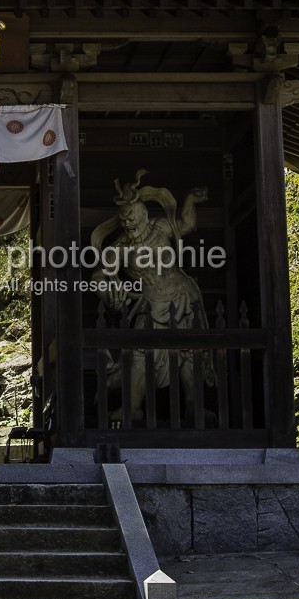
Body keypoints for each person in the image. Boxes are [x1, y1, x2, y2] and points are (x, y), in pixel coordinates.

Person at [90, 171, 215, 422]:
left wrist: (190, 200)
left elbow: (186, 225)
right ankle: (132, 408)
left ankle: (194, 406)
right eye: (124, 220)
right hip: (152, 303)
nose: (128, 224)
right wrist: (109, 293)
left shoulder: (160, 227)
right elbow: (99, 277)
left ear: (145, 214)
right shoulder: (120, 249)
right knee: (140, 353)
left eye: (133, 218)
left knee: (192, 352)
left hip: (183, 295)